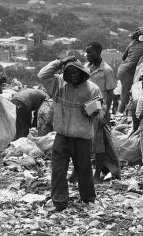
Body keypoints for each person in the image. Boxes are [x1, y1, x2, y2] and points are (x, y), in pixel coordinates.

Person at [38, 56, 104, 212]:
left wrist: (90, 110)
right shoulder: (58, 84)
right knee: (58, 170)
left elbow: (101, 112)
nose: (72, 76)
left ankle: (88, 199)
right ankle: (59, 202)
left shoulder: (92, 89)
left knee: (84, 169)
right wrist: (59, 62)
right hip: (62, 135)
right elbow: (42, 75)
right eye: (69, 72)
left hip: (82, 137)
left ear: (81, 72)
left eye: (75, 72)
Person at [85, 41, 119, 184]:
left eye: (90, 52)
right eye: (86, 52)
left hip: (99, 108)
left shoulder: (107, 70)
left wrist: (106, 114)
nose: (87, 55)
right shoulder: (85, 68)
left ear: (99, 52)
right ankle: (82, 173)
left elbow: (110, 93)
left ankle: (97, 175)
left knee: (98, 144)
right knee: (84, 143)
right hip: (85, 109)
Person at [117, 27, 143, 113]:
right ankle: (119, 115)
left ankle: (124, 114)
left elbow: (123, 57)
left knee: (128, 95)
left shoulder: (132, 43)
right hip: (128, 72)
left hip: (122, 69)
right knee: (125, 97)